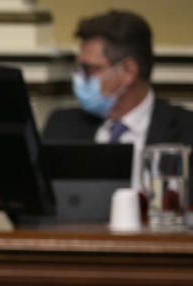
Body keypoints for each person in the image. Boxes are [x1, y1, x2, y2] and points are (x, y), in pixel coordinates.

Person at [43, 10, 193, 186]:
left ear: (128, 71)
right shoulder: (60, 127)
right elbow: (34, 207)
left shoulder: (187, 131)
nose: (79, 79)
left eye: (91, 69)